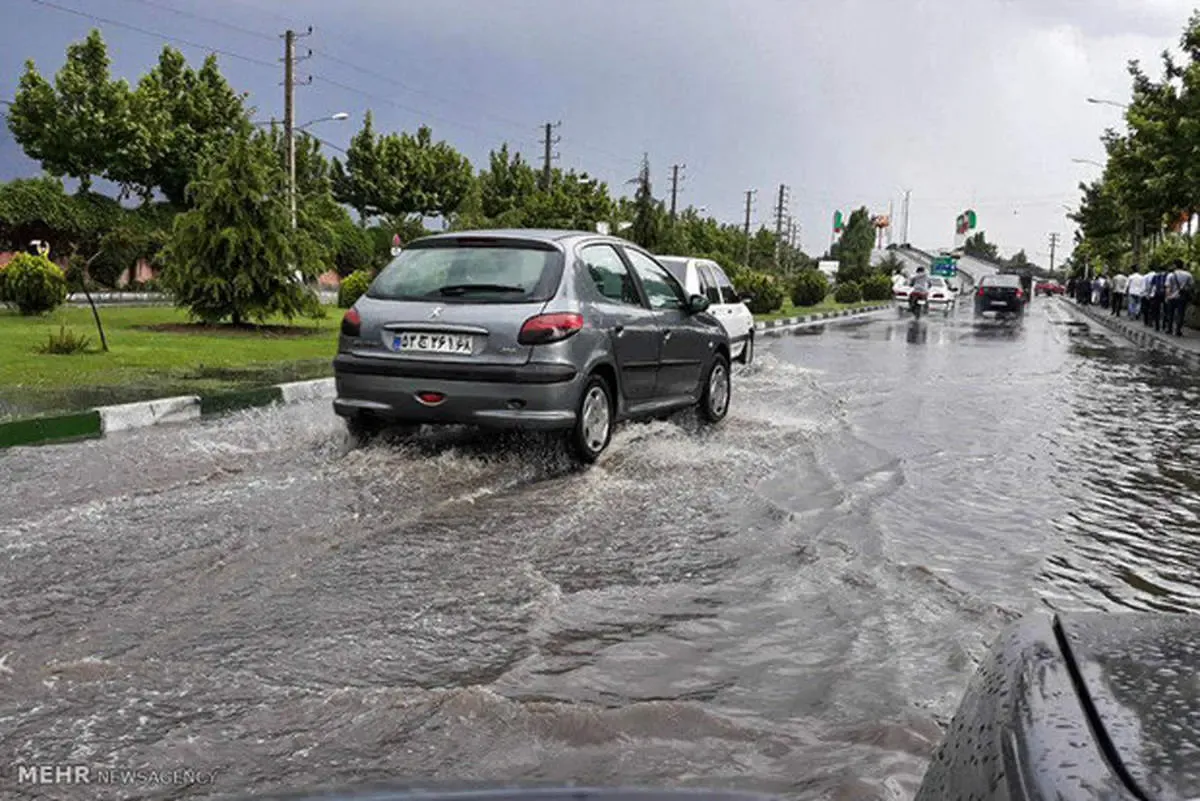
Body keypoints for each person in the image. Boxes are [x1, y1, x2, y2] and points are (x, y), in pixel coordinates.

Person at [1164, 260, 1195, 337]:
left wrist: (1167, 297)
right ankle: (1178, 330)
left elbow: (1168, 287)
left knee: (1170, 313)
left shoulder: (1170, 275)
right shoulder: (1188, 275)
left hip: (1172, 297)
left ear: (1175, 265)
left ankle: (1169, 329)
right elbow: (1191, 286)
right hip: (1182, 297)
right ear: (1182, 265)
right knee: (1180, 314)